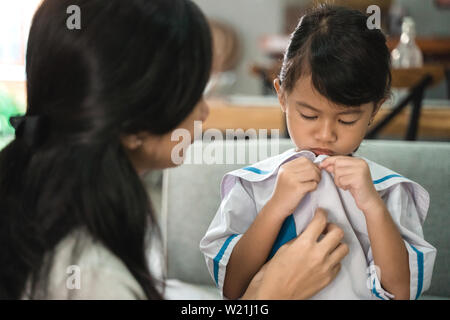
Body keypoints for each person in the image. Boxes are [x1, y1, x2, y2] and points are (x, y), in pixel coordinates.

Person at [0, 0, 347, 300]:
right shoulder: (90, 273)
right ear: (134, 123)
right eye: (193, 92)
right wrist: (270, 293)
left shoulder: (55, 197)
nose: (204, 111)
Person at [200, 6, 436, 300]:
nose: (326, 134)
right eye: (309, 116)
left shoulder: (390, 192)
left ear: (375, 109)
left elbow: (402, 292)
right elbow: (233, 290)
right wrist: (275, 207)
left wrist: (373, 207)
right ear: (282, 95)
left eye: (347, 120)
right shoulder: (254, 185)